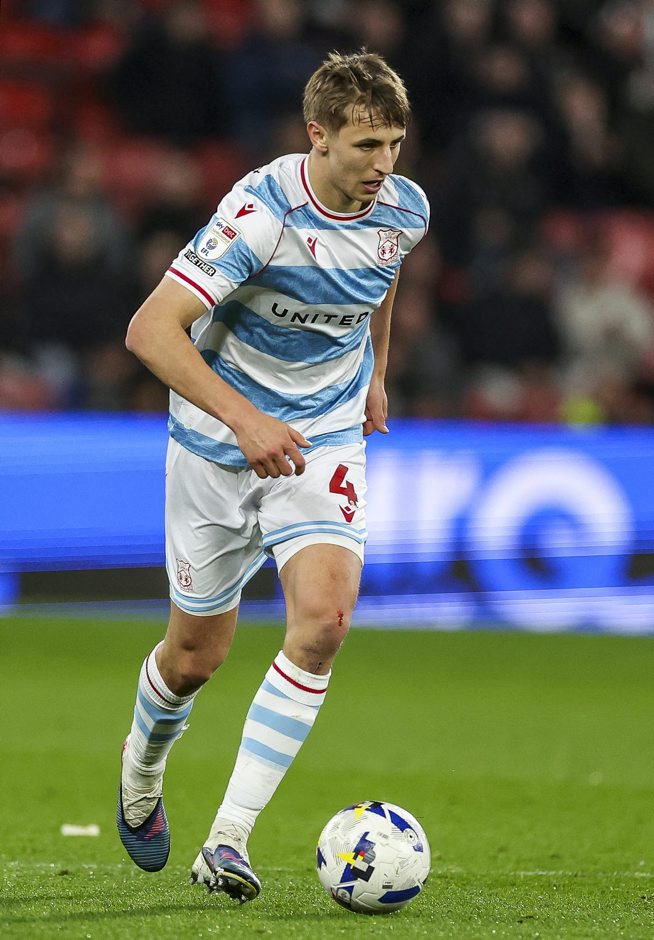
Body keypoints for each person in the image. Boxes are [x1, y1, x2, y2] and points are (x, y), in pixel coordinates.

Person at [116, 49, 429, 903]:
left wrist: (376, 372)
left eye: (395, 144)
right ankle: (141, 769)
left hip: (320, 438)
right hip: (218, 447)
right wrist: (244, 419)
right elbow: (150, 330)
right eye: (366, 146)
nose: (384, 165)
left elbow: (382, 277)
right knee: (195, 657)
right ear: (317, 135)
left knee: (325, 621)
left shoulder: (404, 209)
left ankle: (228, 839)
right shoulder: (261, 214)